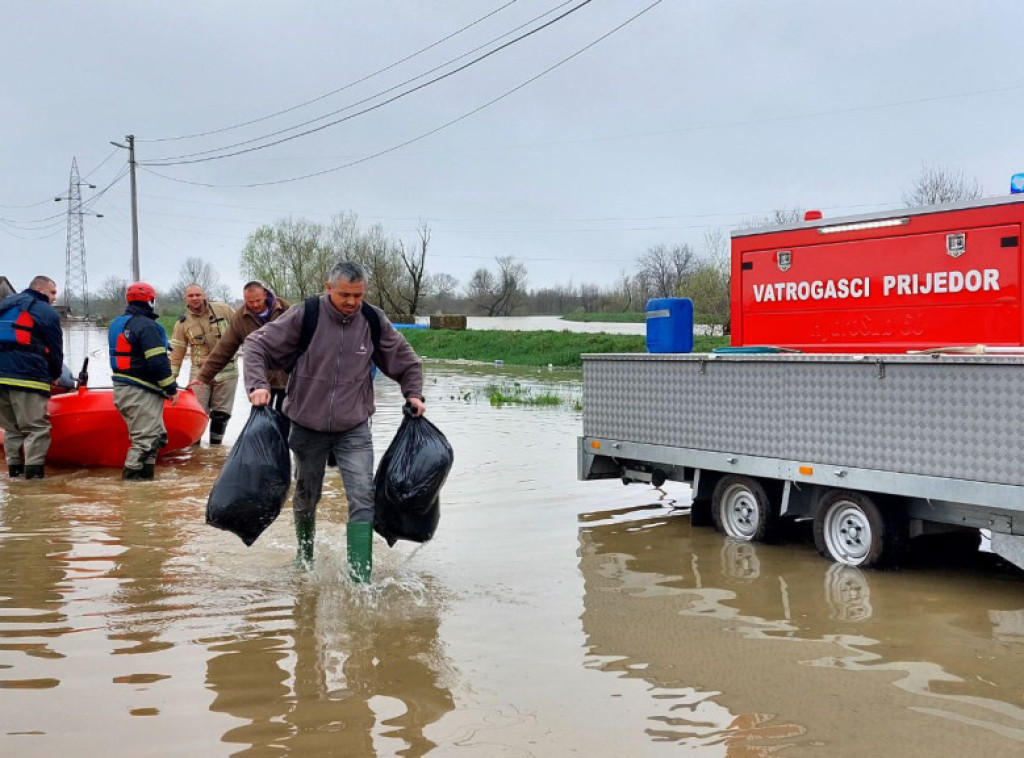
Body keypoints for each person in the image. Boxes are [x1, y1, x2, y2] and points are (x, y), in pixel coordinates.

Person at [243, 261, 425, 581]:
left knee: (362, 495)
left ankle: (360, 580)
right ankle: (304, 557)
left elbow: (407, 361)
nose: (352, 303)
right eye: (345, 295)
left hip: (353, 426)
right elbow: (257, 344)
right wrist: (257, 385)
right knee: (306, 494)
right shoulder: (306, 314)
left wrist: (414, 395)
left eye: (358, 295)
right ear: (328, 288)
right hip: (305, 424)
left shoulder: (372, 319)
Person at [108, 282, 178, 480]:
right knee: (145, 441)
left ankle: (146, 486)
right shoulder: (148, 326)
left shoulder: (117, 323)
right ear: (151, 301)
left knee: (153, 438)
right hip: (140, 390)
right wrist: (171, 388)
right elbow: (157, 362)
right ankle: (132, 491)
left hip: (124, 388)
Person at [192, 281, 290, 413]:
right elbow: (224, 349)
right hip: (261, 379)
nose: (255, 305)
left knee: (289, 419)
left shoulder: (285, 309)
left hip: (290, 377)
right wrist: (203, 377)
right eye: (250, 302)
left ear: (265, 295)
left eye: (258, 300)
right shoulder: (240, 318)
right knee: (262, 424)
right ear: (245, 299)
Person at [0, 275, 63, 479]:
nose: (55, 298)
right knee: (36, 428)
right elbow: (55, 350)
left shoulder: (5, 305)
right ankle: (34, 482)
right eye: (52, 292)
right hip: (27, 375)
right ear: (39, 288)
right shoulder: (45, 312)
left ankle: (14, 477)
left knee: (12, 429)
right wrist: (54, 376)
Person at [169, 283, 236, 444]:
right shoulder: (182, 324)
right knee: (197, 412)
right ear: (185, 298)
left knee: (222, 414)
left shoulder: (224, 310)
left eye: (198, 295)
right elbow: (177, 354)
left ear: (204, 295)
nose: (195, 298)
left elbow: (242, 329)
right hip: (199, 372)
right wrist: (170, 380)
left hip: (227, 369)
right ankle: (195, 451)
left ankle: (215, 450)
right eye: (191, 296)